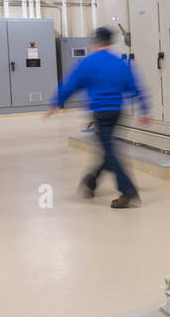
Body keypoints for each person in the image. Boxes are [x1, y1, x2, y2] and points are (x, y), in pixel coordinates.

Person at [46, 26, 151, 208]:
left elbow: (70, 85)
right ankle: (91, 182)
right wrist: (144, 109)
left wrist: (56, 102)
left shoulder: (87, 63)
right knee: (107, 149)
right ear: (109, 42)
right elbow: (135, 87)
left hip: (101, 113)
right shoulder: (119, 62)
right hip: (117, 113)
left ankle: (128, 191)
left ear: (96, 42)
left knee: (109, 151)